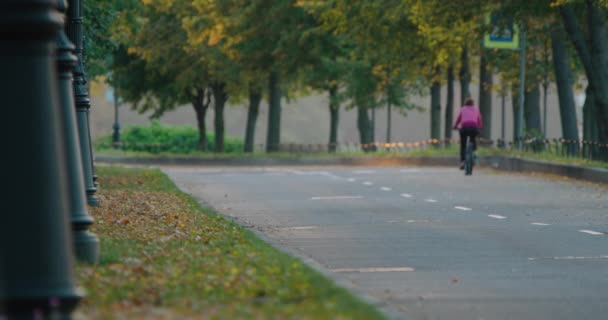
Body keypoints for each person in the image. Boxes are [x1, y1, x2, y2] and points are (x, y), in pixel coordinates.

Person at [453, 97, 483, 170]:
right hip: (474, 127)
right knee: (473, 139)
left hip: (464, 128)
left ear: (465, 103)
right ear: (473, 103)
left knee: (463, 145)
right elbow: (479, 120)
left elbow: (459, 119)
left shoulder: (463, 109)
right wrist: (480, 127)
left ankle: (462, 162)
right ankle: (474, 152)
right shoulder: (476, 109)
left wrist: (455, 126)